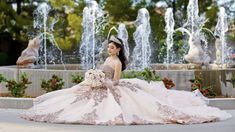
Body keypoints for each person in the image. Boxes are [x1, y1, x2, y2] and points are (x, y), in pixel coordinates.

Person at [21, 35, 231, 125]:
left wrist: (103, 82)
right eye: (108, 47)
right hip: (95, 85)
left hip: (110, 87)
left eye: (112, 47)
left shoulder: (118, 63)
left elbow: (117, 82)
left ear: (118, 49)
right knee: (70, 100)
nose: (108, 49)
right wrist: (93, 76)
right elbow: (102, 69)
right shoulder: (106, 58)